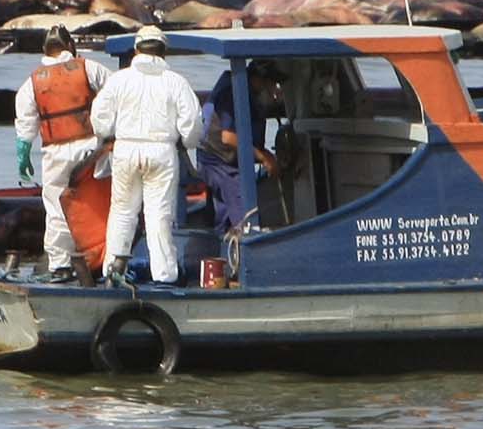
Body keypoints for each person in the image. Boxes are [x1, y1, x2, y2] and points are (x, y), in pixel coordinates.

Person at [89, 25, 203, 285]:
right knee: (159, 215)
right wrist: (188, 142)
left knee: (122, 212)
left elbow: (100, 120)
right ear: (163, 51)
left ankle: (112, 270)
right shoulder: (176, 82)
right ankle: (165, 275)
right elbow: (193, 125)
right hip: (162, 151)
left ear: (137, 50)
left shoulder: (119, 80)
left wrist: (109, 133)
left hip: (126, 149)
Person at [14, 24, 111, 281]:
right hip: (89, 147)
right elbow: (115, 92)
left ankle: (60, 264)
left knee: (56, 207)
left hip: (54, 152)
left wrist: (23, 153)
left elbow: (25, 123)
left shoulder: (32, 83)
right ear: (70, 46)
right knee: (94, 201)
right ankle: (100, 255)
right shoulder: (88, 67)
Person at [196, 61, 283, 234]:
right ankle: (244, 244)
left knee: (225, 216)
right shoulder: (233, 94)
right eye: (272, 84)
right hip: (217, 162)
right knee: (244, 214)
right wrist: (263, 157)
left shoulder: (254, 97)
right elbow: (228, 138)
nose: (275, 90)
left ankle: (223, 247)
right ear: (258, 80)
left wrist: (265, 155)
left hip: (229, 161)